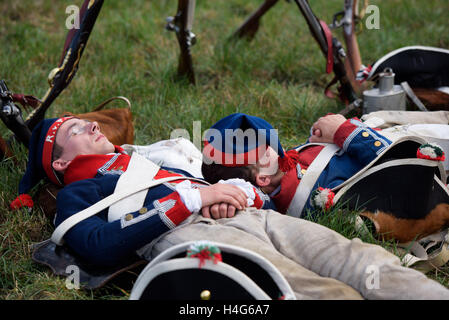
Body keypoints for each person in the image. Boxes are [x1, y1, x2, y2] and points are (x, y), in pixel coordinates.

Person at [10, 115, 449, 299]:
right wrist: (193, 200)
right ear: (61, 162)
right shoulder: (74, 194)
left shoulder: (146, 156)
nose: (88, 122)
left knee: (360, 259)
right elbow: (98, 246)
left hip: (251, 216)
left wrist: (236, 193)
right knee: (313, 291)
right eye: (70, 128)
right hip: (190, 238)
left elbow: (204, 185)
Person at [201, 112, 449, 220]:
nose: (283, 152)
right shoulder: (310, 196)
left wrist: (321, 137)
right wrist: (344, 131)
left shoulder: (286, 173)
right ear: (263, 179)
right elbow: (400, 170)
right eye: (268, 150)